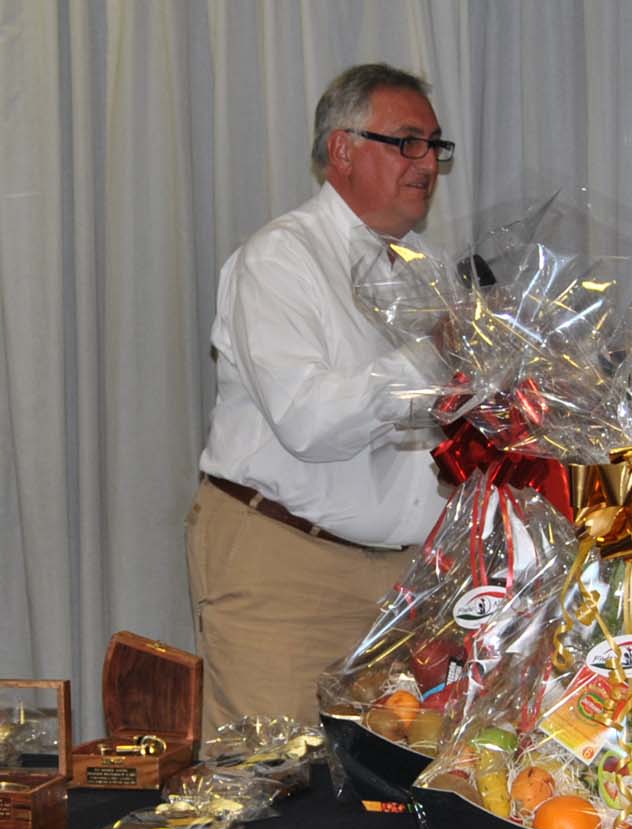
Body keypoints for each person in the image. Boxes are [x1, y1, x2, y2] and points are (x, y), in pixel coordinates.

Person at [186, 62, 453, 731]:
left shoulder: (428, 272)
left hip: (407, 582)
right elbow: (309, 423)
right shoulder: (279, 259)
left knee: (387, 779)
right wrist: (436, 357)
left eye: (435, 146)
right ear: (343, 149)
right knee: (274, 777)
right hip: (288, 568)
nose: (427, 163)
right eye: (408, 142)